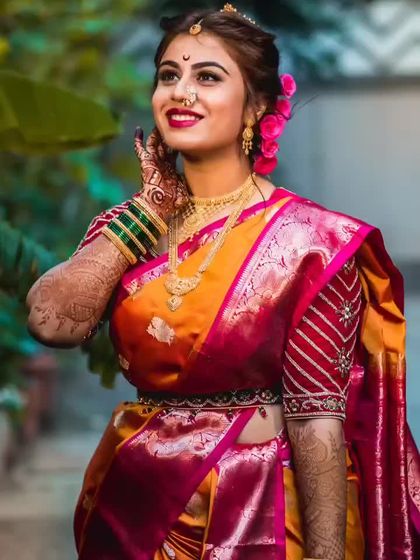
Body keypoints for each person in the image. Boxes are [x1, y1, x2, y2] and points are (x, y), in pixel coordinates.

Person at [26, 4, 419, 560]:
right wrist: (148, 211)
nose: (181, 92)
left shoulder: (307, 243)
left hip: (257, 514)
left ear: (256, 107)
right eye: (169, 75)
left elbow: (316, 424)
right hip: (134, 509)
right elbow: (50, 323)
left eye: (207, 77)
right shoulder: (131, 229)